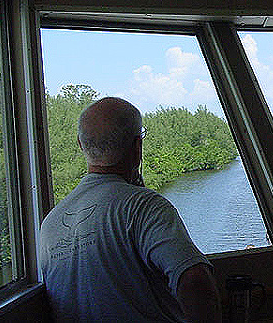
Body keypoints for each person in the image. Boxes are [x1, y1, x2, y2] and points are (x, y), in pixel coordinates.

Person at [40, 97, 221, 322]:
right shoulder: (144, 206)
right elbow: (194, 280)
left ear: (80, 144)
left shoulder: (50, 223)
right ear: (138, 146)